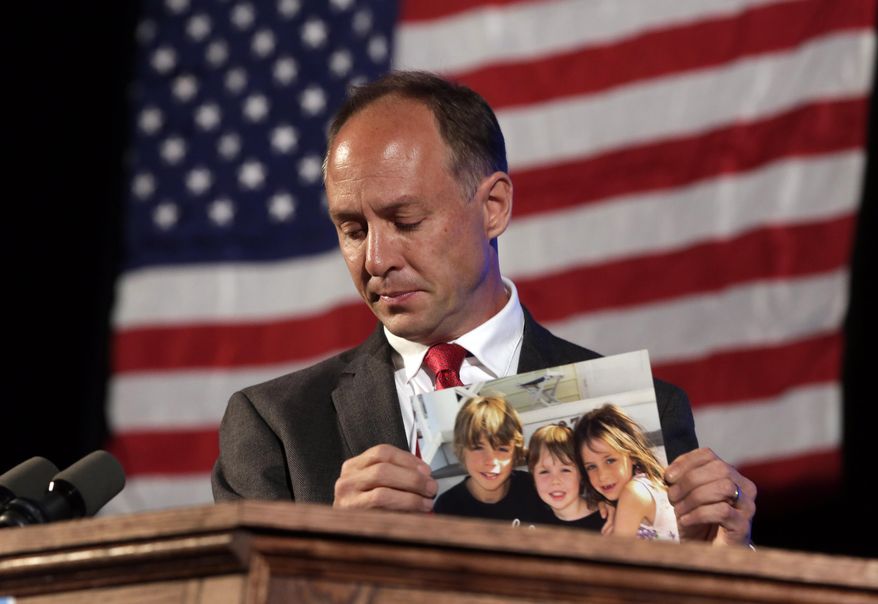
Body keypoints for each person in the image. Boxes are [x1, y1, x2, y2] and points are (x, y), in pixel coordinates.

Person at [211, 70, 756, 546]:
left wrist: (727, 554)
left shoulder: (642, 416)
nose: (375, 259)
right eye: (353, 229)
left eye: (406, 221)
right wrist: (330, 554)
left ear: (493, 207)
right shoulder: (275, 427)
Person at [433, 396, 554, 523]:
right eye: (478, 447)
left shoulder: (534, 488)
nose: (491, 461)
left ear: (515, 453)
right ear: (461, 449)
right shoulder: (447, 508)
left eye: (502, 449)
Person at [575, 404, 677, 541]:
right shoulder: (648, 483)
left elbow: (619, 559)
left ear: (632, 456)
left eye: (610, 460)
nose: (602, 476)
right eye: (591, 467)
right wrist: (605, 502)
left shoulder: (634, 493)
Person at [527, 424, 603, 531]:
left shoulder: (607, 522)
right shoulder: (532, 519)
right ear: (533, 475)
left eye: (565, 470)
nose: (555, 481)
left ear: (581, 473)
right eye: (544, 472)